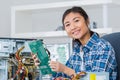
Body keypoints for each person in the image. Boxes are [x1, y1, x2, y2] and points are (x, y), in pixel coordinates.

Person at [32, 6, 117, 80]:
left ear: (87, 21)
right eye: (68, 25)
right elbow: (60, 75)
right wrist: (43, 66)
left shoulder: (103, 47)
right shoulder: (77, 51)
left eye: (76, 21)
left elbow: (97, 78)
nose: (72, 27)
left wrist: (66, 69)